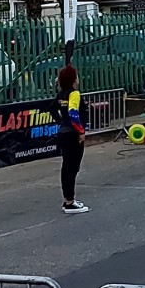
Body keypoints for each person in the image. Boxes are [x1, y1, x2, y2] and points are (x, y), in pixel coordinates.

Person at [47, 65, 89, 215]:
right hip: (73, 134)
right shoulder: (74, 94)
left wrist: (61, 122)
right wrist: (81, 131)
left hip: (63, 133)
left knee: (67, 166)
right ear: (73, 79)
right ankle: (70, 201)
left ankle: (68, 199)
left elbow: (52, 109)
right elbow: (73, 113)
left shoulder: (61, 95)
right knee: (73, 167)